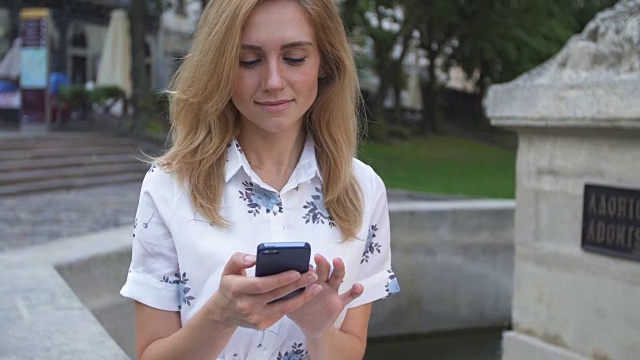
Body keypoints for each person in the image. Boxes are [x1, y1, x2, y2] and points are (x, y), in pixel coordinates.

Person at [120, 0, 400, 359]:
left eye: (295, 58)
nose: (272, 82)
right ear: (220, 66)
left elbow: (351, 351)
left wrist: (318, 330)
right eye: (248, 61)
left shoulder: (363, 190)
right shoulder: (169, 186)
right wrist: (220, 315)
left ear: (325, 64)